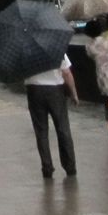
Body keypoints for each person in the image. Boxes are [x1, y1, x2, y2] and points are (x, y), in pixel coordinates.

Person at [26, 50, 80, 178]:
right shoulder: (56, 48)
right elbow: (66, 72)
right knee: (63, 128)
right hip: (55, 91)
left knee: (41, 131)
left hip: (34, 90)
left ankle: (47, 167)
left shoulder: (26, 51)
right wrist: (74, 93)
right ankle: (70, 166)